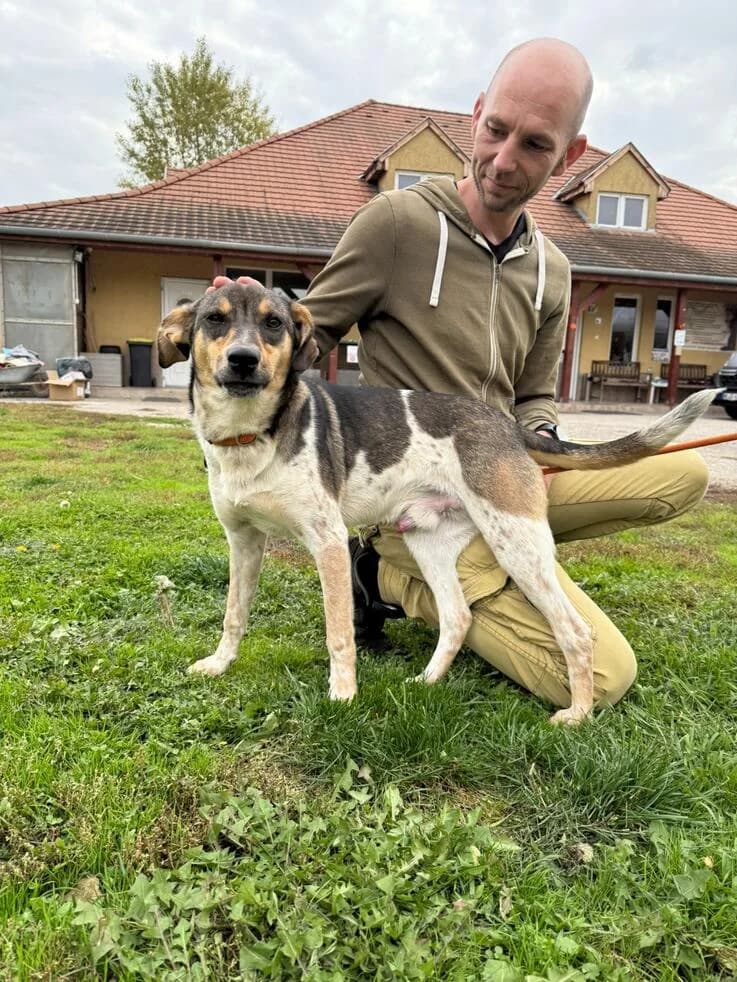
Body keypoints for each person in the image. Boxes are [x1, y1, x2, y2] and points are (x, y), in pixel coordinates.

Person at [213, 38, 708, 711]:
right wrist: (248, 325)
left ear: (569, 156)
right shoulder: (394, 223)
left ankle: (513, 547)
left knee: (684, 473)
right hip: (406, 488)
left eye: (533, 145)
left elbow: (533, 392)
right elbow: (308, 332)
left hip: (496, 457)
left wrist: (540, 446)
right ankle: (389, 576)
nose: (502, 161)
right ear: (474, 114)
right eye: (494, 130)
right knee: (606, 675)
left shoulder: (554, 269)